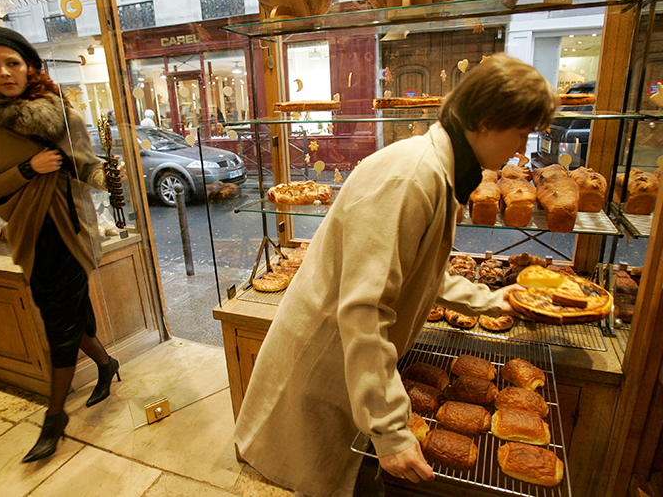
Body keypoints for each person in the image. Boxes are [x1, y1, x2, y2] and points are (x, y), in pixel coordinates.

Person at [233, 53, 558, 496]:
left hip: (344, 364)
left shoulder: (437, 171)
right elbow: (365, 309)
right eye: (521, 133)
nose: (521, 148)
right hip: (321, 363)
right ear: (485, 120)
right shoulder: (411, 178)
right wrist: (389, 431)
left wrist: (488, 300)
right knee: (300, 478)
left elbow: (413, 271)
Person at [0, 26, 122, 463]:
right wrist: (28, 170)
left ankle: (54, 420)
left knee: (59, 328)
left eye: (12, 62)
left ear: (29, 66)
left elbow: (83, 166)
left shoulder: (61, 114)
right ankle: (107, 365)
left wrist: (106, 176)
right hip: (29, 236)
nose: (4, 72)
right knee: (71, 316)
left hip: (69, 230)